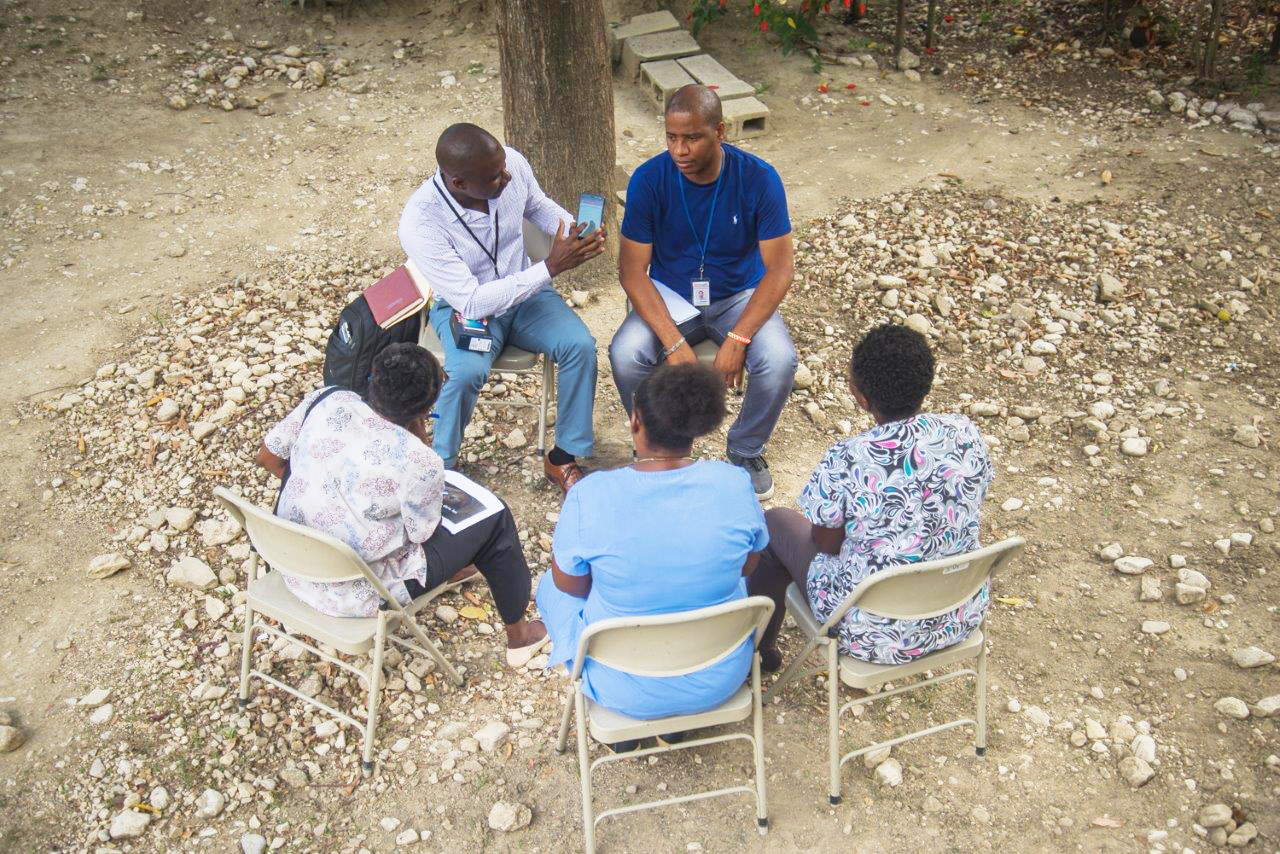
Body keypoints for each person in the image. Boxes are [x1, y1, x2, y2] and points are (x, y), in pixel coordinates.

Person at [255, 343, 549, 667]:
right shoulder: (418, 460)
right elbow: (421, 532)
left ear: (374, 377)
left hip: (287, 562)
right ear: (427, 408)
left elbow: (268, 457)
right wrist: (418, 438)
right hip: (361, 594)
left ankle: (461, 569)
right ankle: (520, 638)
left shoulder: (328, 399)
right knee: (496, 519)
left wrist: (324, 490)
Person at [746, 325, 994, 671]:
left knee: (774, 524)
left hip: (872, 634)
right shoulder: (966, 434)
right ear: (926, 382)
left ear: (861, 396)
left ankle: (759, 653)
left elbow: (825, 544)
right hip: (957, 614)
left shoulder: (850, 457)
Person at [536, 363, 768, 729]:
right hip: (719, 677)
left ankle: (629, 724)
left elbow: (572, 586)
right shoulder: (735, 483)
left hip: (620, 688)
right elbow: (747, 567)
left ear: (635, 421)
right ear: (698, 426)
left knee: (549, 585)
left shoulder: (589, 495)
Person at [609, 84, 797, 500]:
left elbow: (780, 269)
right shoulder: (649, 180)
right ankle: (663, 446)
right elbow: (633, 272)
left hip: (738, 294)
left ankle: (745, 449)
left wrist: (739, 337)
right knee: (626, 354)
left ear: (720, 132)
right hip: (671, 293)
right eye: (672, 138)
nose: (680, 150)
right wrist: (673, 343)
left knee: (780, 360)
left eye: (692, 137)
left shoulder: (758, 179)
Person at [398, 123, 606, 493]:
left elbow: (537, 205)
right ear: (459, 183)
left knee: (579, 346)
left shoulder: (509, 165)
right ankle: (441, 467)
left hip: (528, 296)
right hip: (470, 310)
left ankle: (562, 457)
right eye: (495, 176)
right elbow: (473, 300)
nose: (507, 174)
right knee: (464, 372)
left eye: (504, 166)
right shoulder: (420, 222)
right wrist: (551, 266)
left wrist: (573, 231)